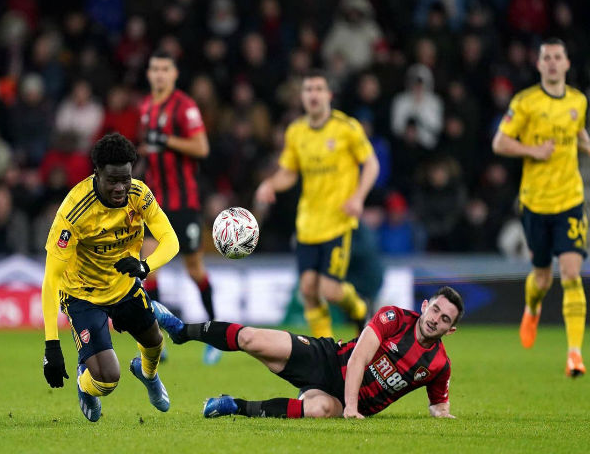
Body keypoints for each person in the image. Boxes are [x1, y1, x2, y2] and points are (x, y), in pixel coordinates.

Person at [152, 286, 463, 419]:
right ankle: (182, 331)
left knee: (318, 410)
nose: (436, 319)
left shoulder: (439, 365)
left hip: (340, 401)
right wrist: (353, 408)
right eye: (435, 309)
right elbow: (359, 358)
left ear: (450, 331)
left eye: (445, 319)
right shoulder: (394, 318)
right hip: (329, 359)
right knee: (251, 339)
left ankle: (234, 406)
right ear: (425, 306)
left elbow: (439, 407)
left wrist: (445, 417)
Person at [41, 133, 179, 422]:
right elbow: (51, 280)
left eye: (125, 179)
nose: (120, 188)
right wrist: (51, 346)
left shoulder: (139, 195)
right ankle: (84, 384)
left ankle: (146, 372)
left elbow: (170, 240)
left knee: (154, 342)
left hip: (124, 285)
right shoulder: (73, 213)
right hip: (83, 295)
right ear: (97, 174)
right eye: (112, 181)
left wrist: (144, 266)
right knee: (107, 380)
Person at [492, 38, 590, 377]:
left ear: (567, 63)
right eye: (546, 58)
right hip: (536, 204)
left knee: (571, 274)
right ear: (539, 65)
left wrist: (589, 146)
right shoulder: (525, 102)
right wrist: (532, 150)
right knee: (541, 277)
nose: (553, 63)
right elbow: (499, 142)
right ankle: (532, 308)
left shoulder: (578, 100)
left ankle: (574, 354)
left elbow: (576, 128)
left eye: (558, 57)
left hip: (570, 200)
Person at [255, 69, 380, 338]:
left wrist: (358, 197)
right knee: (308, 289)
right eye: (308, 89)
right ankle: (325, 347)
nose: (313, 94)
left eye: (318, 89)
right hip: (307, 224)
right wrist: (270, 184)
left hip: (337, 222)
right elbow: (289, 172)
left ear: (329, 95)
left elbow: (371, 164)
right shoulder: (296, 132)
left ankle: (359, 308)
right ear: (302, 96)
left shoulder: (346, 128)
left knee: (330, 290)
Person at [138, 50, 220, 364]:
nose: (159, 74)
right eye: (154, 68)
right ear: (149, 73)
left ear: (174, 74)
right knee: (150, 267)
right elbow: (153, 147)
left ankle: (214, 336)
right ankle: (156, 338)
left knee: (193, 268)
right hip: (154, 203)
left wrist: (167, 140)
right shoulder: (146, 106)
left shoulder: (184, 107)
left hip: (184, 203)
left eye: (164, 69)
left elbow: (201, 147)